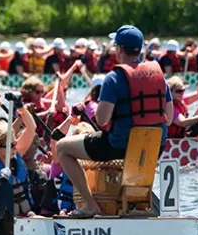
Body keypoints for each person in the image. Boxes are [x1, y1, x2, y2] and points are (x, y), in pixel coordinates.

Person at [55, 25, 172, 218]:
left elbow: (101, 120)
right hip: (154, 146)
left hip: (119, 144)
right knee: (138, 149)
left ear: (119, 49)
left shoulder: (113, 78)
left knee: (62, 147)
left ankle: (91, 206)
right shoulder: (159, 77)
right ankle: (136, 204)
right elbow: (168, 117)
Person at [0, 109, 37, 218]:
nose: (15, 148)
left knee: (34, 217)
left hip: (24, 215)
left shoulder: (16, 154)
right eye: (11, 146)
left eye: (14, 144)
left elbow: (32, 128)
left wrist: (22, 108)